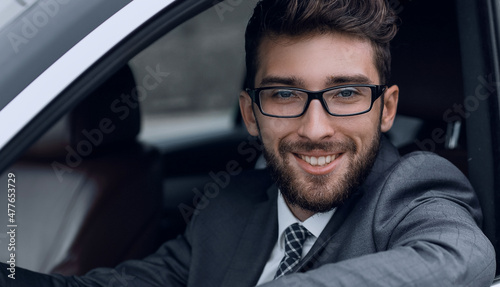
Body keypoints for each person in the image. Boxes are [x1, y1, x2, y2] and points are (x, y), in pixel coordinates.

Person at [0, 0, 496, 286]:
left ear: (386, 109)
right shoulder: (229, 208)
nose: (316, 128)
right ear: (250, 113)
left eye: (346, 93)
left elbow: (461, 257)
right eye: (284, 94)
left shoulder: (410, 190)